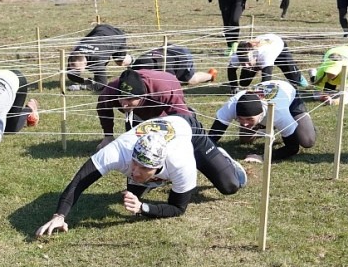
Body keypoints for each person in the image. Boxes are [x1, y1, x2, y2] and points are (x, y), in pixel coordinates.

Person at [36, 117, 212, 237]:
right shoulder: (118, 151)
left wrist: (143, 208)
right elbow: (79, 182)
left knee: (230, 185)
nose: (135, 171)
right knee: (133, 192)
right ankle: (151, 179)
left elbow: (178, 208)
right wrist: (59, 215)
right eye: (134, 163)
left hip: (190, 128)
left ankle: (219, 157)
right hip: (162, 128)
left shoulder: (181, 162)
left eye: (144, 168)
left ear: (159, 166)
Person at [93, 68, 247, 196]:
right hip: (140, 116)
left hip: (171, 116)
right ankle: (155, 177)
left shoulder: (165, 88)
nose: (124, 104)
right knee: (143, 153)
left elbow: (182, 123)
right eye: (121, 99)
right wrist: (108, 136)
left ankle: (222, 159)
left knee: (229, 186)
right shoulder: (113, 90)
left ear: (143, 95)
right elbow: (103, 105)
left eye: (129, 100)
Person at [209, 80, 316, 163]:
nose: (244, 124)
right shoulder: (231, 106)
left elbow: (292, 148)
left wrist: (262, 157)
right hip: (265, 97)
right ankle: (264, 125)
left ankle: (302, 118)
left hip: (289, 96)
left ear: (260, 115)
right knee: (245, 140)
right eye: (241, 118)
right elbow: (212, 136)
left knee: (307, 141)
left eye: (249, 119)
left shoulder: (279, 113)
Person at [225, 33, 304, 90]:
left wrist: (260, 94)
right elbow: (231, 69)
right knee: (244, 83)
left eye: (247, 61)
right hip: (259, 56)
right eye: (242, 62)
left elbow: (266, 80)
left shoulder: (266, 56)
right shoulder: (237, 54)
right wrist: (234, 87)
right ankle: (254, 66)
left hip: (278, 47)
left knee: (295, 80)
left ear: (254, 55)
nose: (245, 65)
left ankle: (298, 76)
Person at [66, 23, 131, 91]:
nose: (76, 71)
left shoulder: (97, 60)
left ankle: (132, 60)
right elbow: (71, 75)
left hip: (116, 35)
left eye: (78, 70)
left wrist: (80, 87)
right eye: (73, 68)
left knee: (120, 62)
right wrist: (85, 81)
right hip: (100, 29)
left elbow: (102, 85)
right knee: (98, 70)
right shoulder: (74, 55)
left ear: (85, 63)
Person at [131, 46, 217, 86]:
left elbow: (172, 83)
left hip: (182, 56)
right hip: (169, 50)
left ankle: (210, 75)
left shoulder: (164, 66)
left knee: (191, 80)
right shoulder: (138, 64)